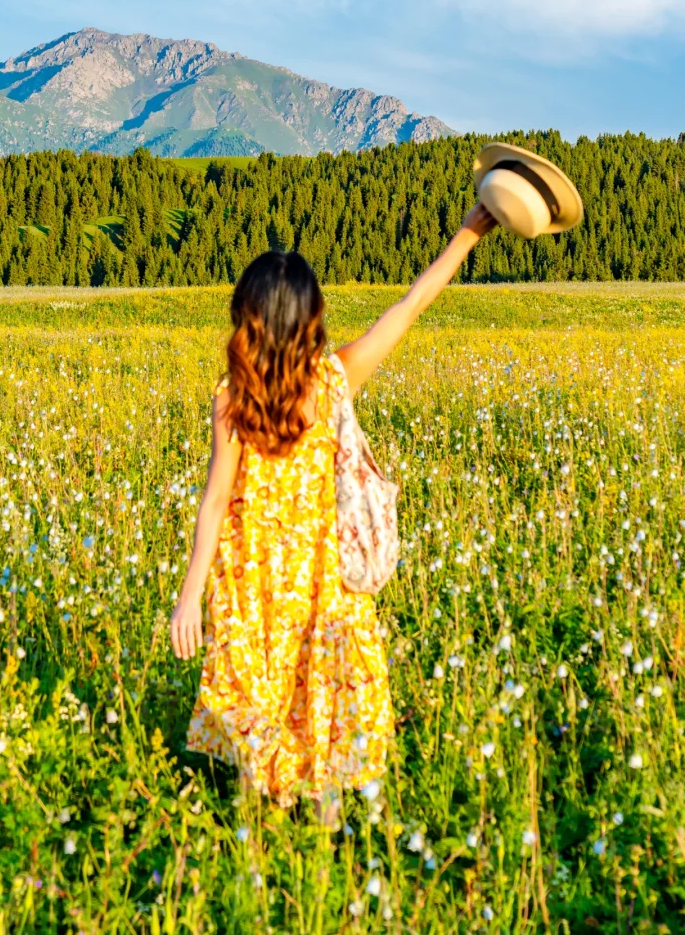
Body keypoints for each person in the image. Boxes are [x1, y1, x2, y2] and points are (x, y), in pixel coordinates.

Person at [169, 202, 498, 823]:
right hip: (325, 585)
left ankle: (253, 846)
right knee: (323, 713)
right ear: (310, 319)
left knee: (257, 720)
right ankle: (326, 846)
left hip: (254, 585)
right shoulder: (334, 377)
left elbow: (215, 501)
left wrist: (190, 597)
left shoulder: (231, 399)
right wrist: (471, 230)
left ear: (249, 318)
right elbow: (410, 307)